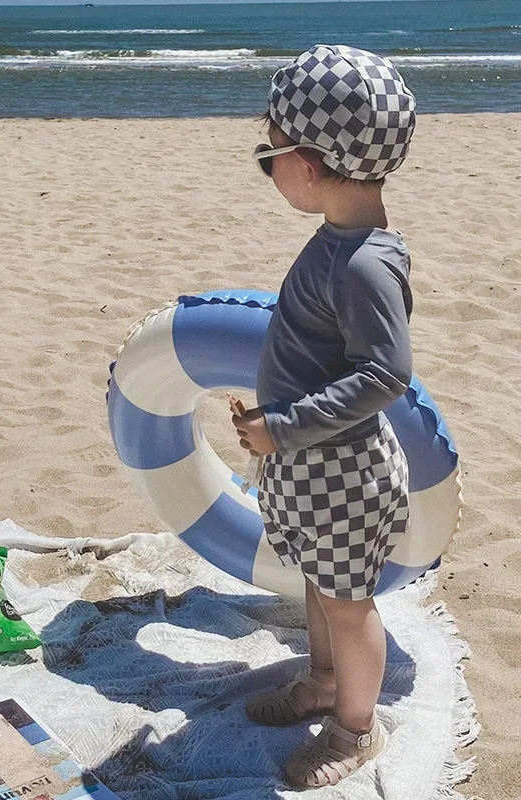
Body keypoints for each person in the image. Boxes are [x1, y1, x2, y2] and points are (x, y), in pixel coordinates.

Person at [230, 44, 416, 788]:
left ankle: (352, 732)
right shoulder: (341, 241)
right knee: (318, 584)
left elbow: (385, 374)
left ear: (306, 164)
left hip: (343, 473)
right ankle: (322, 683)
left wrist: (283, 427)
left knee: (347, 602)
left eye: (264, 154)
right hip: (309, 468)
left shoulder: (365, 263)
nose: (266, 166)